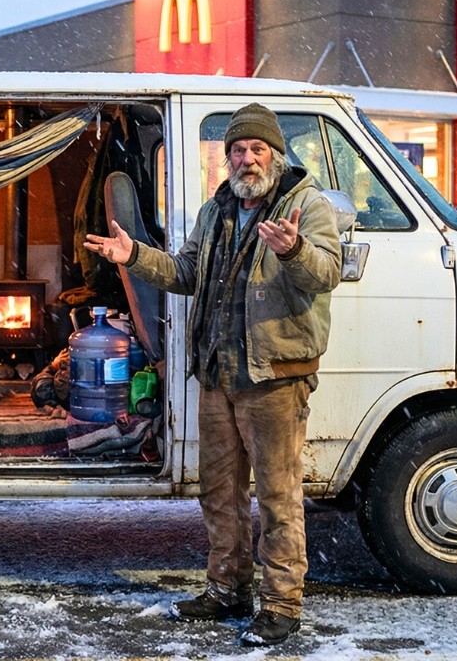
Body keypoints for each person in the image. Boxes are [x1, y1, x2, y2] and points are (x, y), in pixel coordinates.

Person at [82, 103, 341, 647]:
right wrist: (134, 256)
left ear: (275, 153)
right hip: (218, 375)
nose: (247, 159)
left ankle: (282, 604)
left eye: (256, 149)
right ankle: (227, 589)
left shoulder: (307, 205)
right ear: (226, 159)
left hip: (273, 376)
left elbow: (327, 273)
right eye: (238, 150)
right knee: (219, 493)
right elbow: (185, 272)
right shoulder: (216, 210)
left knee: (277, 495)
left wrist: (292, 250)